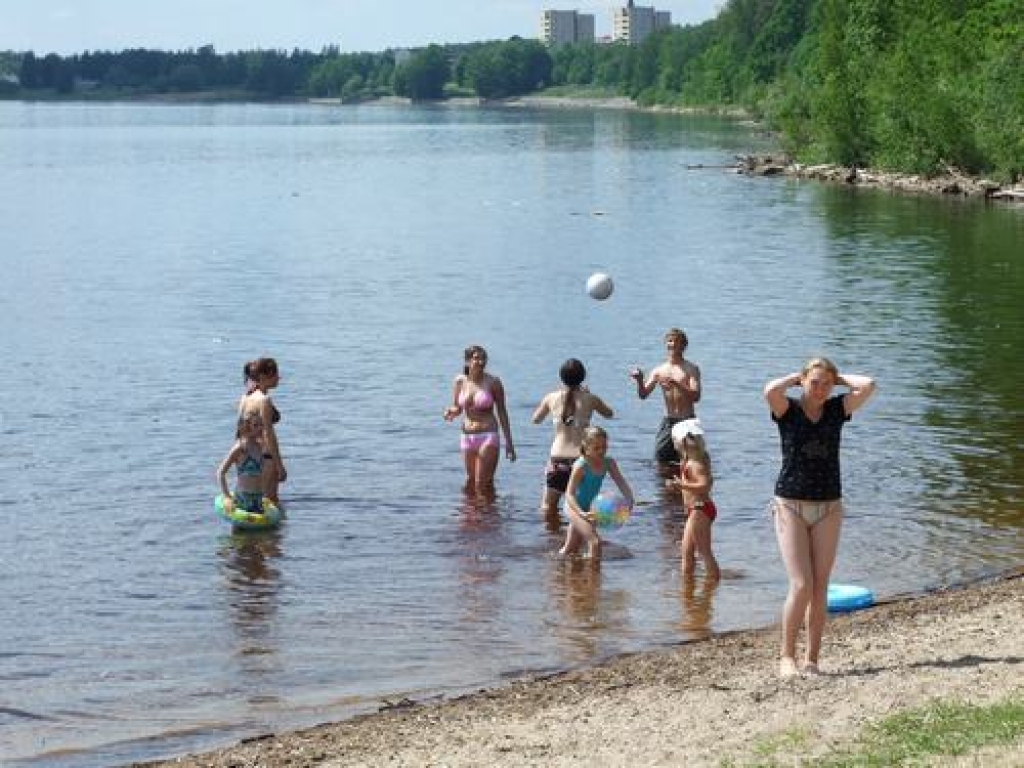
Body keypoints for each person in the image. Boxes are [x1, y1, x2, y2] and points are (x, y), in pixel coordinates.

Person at [764, 357, 877, 678]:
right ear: (803, 381)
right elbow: (769, 390)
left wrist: (836, 380)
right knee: (801, 583)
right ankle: (786, 657)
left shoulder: (837, 409)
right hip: (790, 505)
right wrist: (796, 378)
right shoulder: (787, 410)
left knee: (820, 586)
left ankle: (812, 659)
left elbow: (868, 385)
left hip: (829, 506)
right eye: (815, 382)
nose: (821, 389)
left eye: (826, 384)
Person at [531, 359, 614, 527]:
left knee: (548, 506)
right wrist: (588, 396)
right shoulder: (590, 399)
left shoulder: (551, 397)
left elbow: (536, 420)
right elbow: (609, 414)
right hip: (581, 461)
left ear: (561, 377)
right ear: (582, 377)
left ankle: (552, 538)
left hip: (558, 460)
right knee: (582, 507)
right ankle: (579, 539)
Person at [443, 345, 515, 496]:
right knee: (472, 480)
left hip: (488, 435)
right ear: (468, 360)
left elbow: (502, 411)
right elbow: (458, 407)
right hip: (467, 437)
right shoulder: (459, 381)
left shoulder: (493, 382)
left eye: (484, 358)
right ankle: (477, 517)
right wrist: (450, 412)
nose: (481, 362)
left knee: (481, 484)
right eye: (477, 358)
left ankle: (486, 517)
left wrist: (509, 443)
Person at [629, 327, 701, 466]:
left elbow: (696, 396)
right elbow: (643, 395)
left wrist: (677, 384)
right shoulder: (659, 370)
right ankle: (666, 487)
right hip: (668, 421)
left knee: (692, 462)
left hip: (687, 420)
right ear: (666, 343)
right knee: (661, 461)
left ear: (684, 345)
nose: (673, 344)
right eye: (670, 341)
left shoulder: (691, 369)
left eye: (676, 341)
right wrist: (639, 380)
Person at [561, 426, 634, 560]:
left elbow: (621, 482)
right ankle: (594, 578)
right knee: (595, 542)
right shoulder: (581, 466)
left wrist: (630, 500)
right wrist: (580, 513)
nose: (601, 451)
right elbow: (569, 494)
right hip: (574, 508)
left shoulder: (609, 463)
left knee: (570, 548)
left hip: (591, 509)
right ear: (586, 447)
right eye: (596, 448)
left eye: (604, 447)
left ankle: (563, 570)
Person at [668, 418, 720, 581]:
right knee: (687, 552)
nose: (673, 442)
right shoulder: (689, 461)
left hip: (700, 509)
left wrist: (681, 485)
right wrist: (680, 485)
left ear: (682, 442)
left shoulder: (695, 464)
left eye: (674, 439)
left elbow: (704, 486)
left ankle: (711, 586)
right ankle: (688, 590)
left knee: (704, 552)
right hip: (697, 509)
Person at [238, 357, 286, 505]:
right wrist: (279, 465)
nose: (279, 377)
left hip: (246, 455)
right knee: (271, 501)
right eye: (276, 374)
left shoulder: (245, 397)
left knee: (255, 501)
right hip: (265, 456)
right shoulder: (264, 400)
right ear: (264, 377)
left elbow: (240, 429)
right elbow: (269, 434)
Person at [217, 412, 267, 515]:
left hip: (258, 497)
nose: (260, 428)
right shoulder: (240, 448)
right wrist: (227, 497)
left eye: (261, 424)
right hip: (243, 498)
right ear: (245, 427)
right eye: (256, 425)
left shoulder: (260, 446)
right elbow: (221, 473)